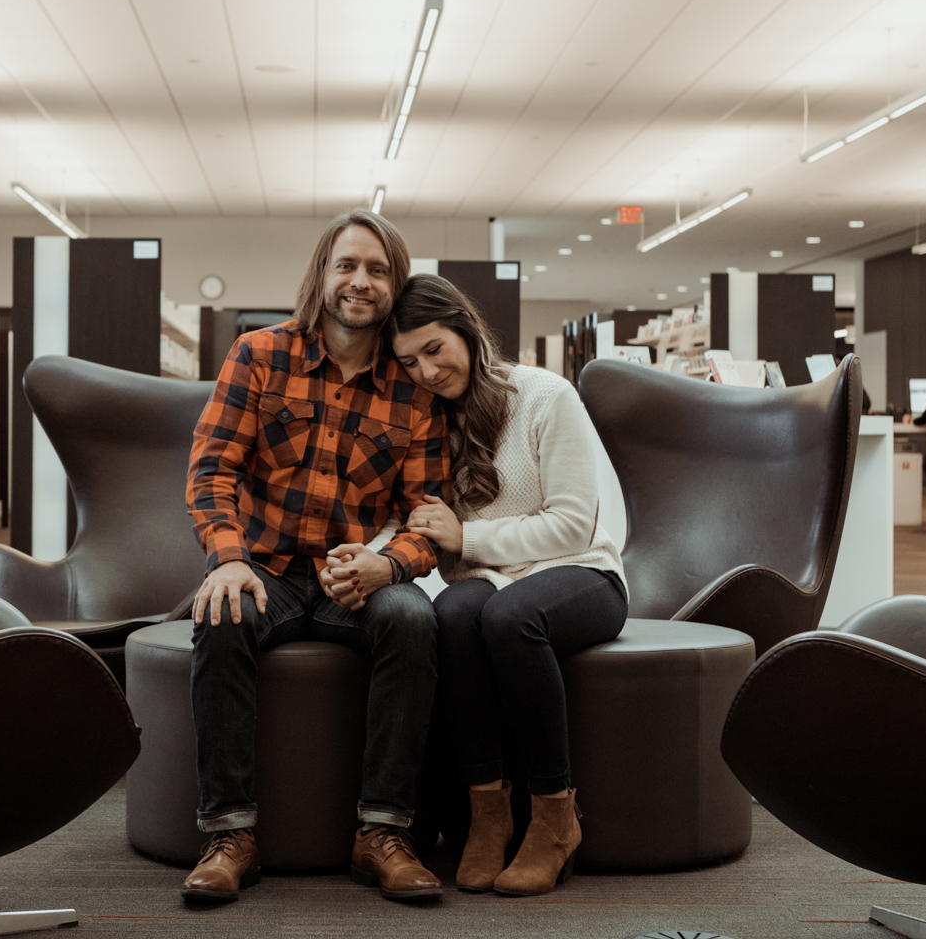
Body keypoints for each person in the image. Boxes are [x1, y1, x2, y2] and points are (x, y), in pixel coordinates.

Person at [182, 209, 451, 904]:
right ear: (322, 275)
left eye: (378, 270)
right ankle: (230, 836)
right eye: (347, 265)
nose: (361, 282)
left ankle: (383, 833)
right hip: (264, 570)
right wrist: (228, 558)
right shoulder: (258, 354)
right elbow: (211, 471)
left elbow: (429, 516)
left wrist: (389, 565)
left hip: (354, 581)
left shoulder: (414, 385)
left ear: (395, 283)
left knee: (414, 619)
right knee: (221, 613)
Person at [382, 274, 627, 897]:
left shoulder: (546, 395)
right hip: (487, 581)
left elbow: (573, 523)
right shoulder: (425, 422)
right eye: (409, 362)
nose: (427, 371)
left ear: (465, 328)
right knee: (452, 613)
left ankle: (554, 817)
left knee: (509, 618)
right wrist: (373, 554)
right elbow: (407, 517)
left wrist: (467, 536)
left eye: (435, 349)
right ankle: (488, 815)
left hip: (582, 572)